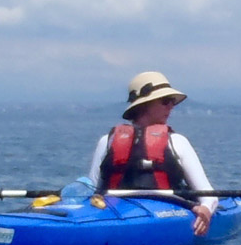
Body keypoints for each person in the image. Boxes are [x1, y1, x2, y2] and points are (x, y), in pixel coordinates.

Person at [86, 71, 218, 236]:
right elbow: (91, 190)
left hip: (167, 212)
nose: (171, 107)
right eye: (165, 101)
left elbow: (208, 194)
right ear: (144, 105)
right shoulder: (107, 141)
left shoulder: (177, 142)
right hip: (111, 212)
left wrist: (206, 209)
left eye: (172, 102)